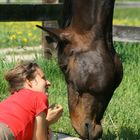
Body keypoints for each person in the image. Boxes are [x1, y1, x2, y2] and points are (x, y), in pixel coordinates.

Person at [0, 61, 63, 140]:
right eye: (43, 78)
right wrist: (46, 122)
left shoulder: (7, 101)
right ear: (28, 81)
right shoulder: (38, 97)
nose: (48, 83)